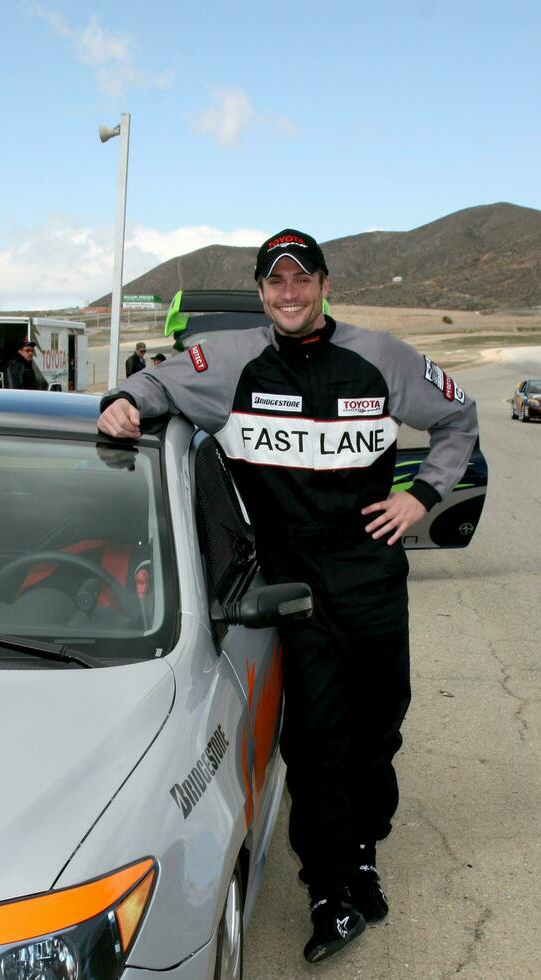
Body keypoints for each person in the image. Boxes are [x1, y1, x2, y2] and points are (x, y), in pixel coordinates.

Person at [97, 228, 479, 964]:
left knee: (378, 733)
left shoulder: (383, 356)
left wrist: (421, 496)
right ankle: (332, 887)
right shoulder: (230, 360)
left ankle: (362, 850)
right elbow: (154, 385)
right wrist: (120, 401)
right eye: (277, 282)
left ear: (324, 284)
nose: (291, 292)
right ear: (263, 292)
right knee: (316, 745)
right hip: (289, 589)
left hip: (371, 582)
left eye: (303, 279)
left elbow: (458, 419)